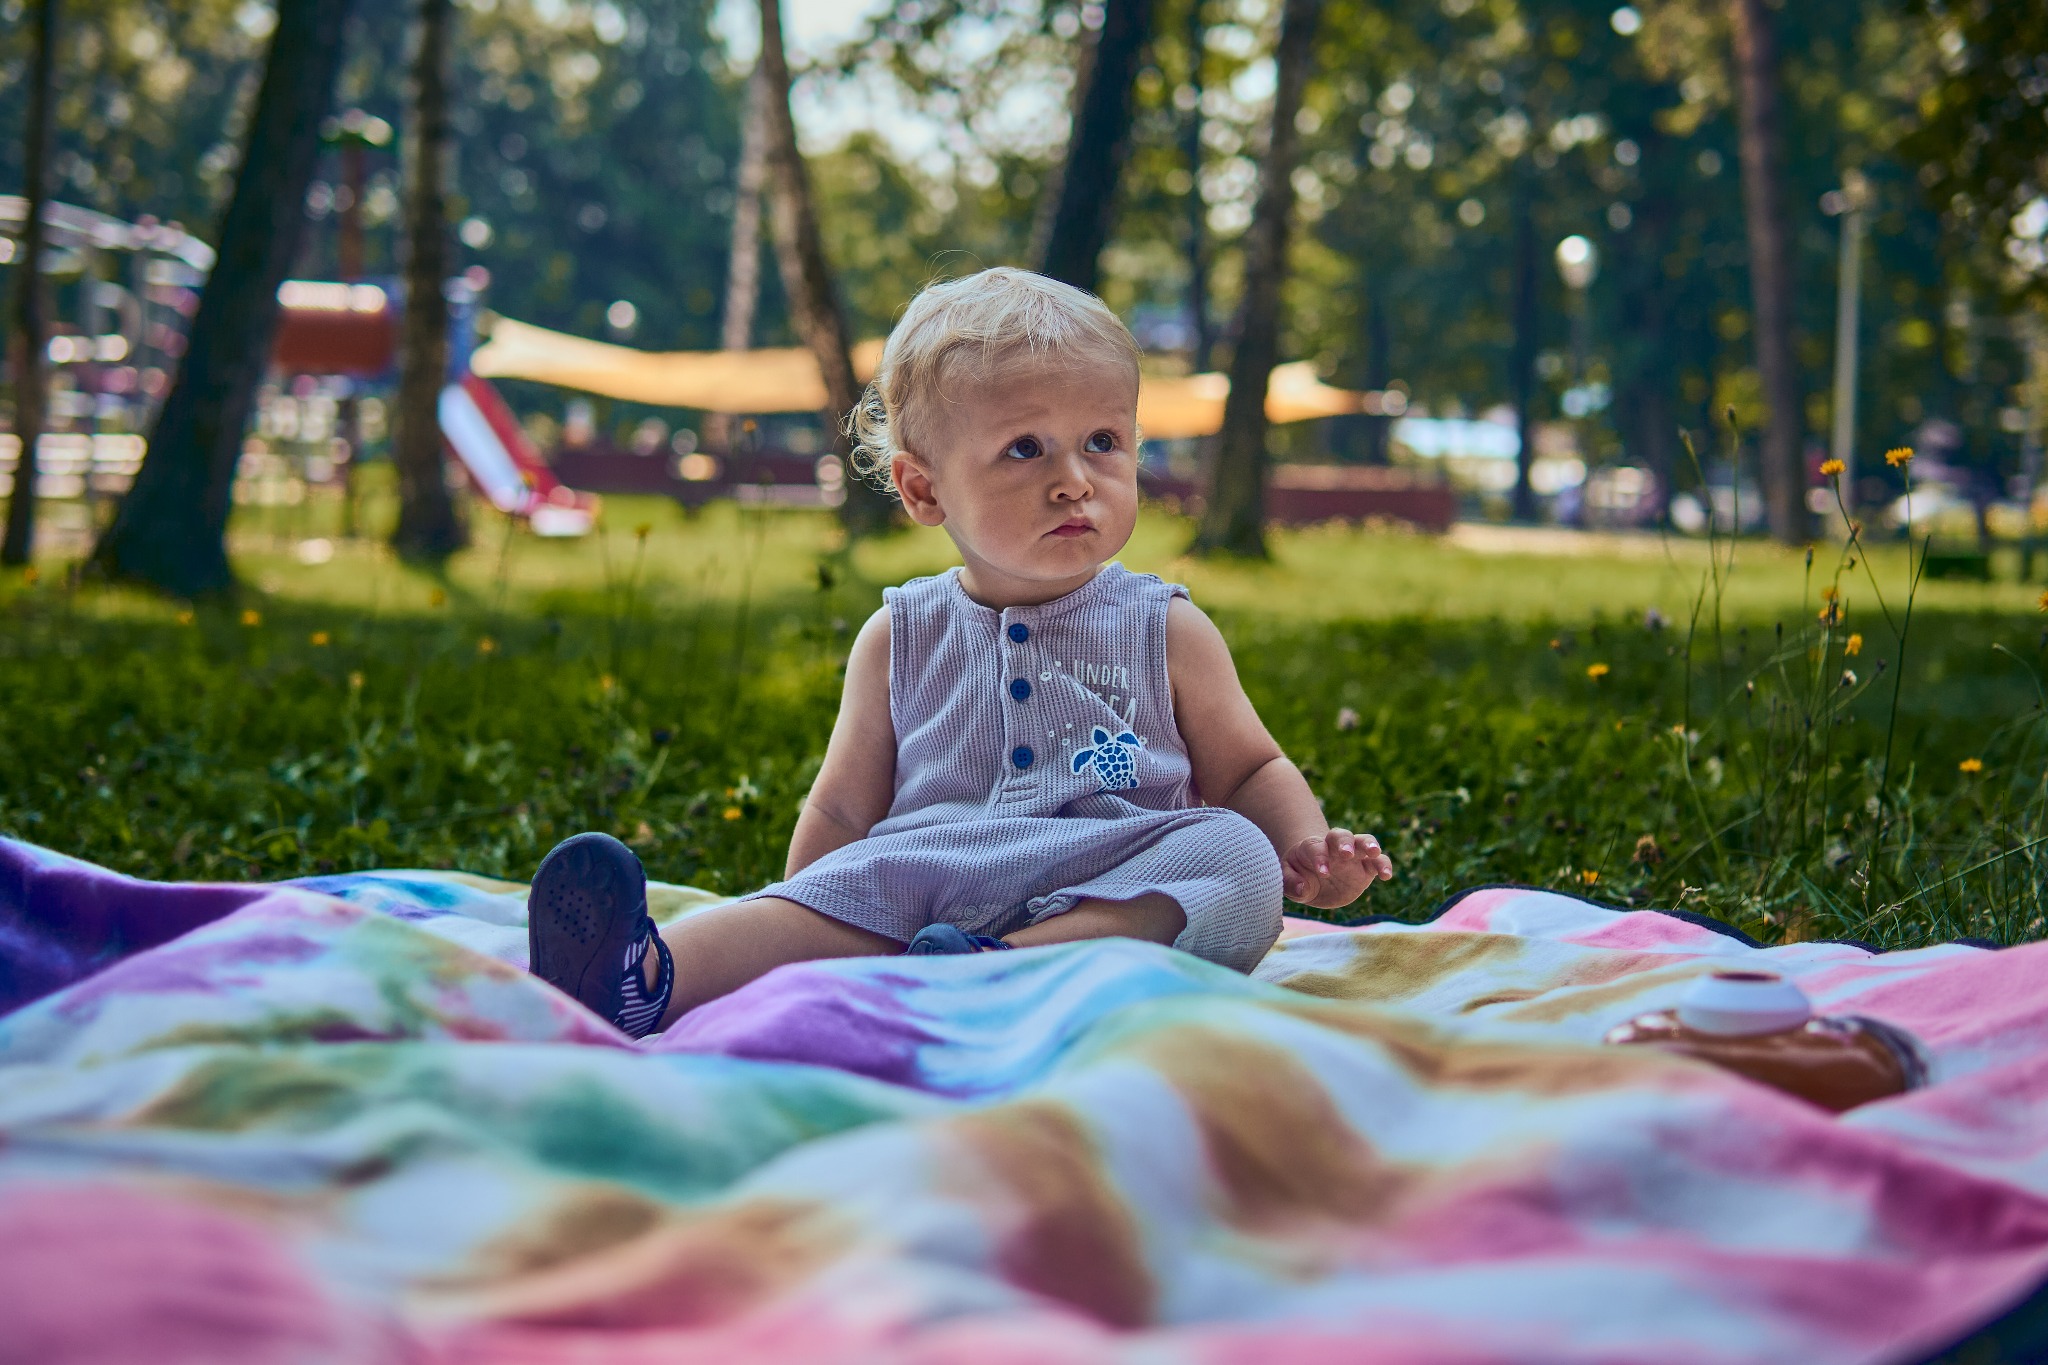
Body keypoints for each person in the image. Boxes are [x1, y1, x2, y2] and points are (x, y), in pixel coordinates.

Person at [526, 268, 1394, 1038]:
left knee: (1233, 855)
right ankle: (637, 979)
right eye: (1026, 448)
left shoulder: (1162, 626)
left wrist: (1305, 848)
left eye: (1103, 441)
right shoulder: (897, 637)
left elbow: (1248, 769)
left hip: (1109, 872)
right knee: (809, 903)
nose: (1074, 479)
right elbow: (838, 813)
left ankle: (1001, 963)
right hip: (929, 875)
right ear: (923, 488)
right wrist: (806, 911)